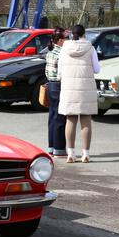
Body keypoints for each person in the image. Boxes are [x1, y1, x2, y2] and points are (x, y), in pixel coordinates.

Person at [58, 25, 100, 163]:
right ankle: (86, 154)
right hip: (86, 87)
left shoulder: (64, 49)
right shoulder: (91, 48)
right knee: (86, 120)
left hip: (69, 88)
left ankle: (70, 153)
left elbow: (60, 71)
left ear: (72, 34)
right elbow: (97, 69)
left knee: (70, 120)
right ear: (84, 33)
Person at [45, 27, 67, 158]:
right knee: (60, 117)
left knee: (52, 117)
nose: (67, 40)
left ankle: (52, 147)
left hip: (50, 85)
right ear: (59, 40)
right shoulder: (62, 53)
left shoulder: (50, 52)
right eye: (65, 38)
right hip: (59, 85)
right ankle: (59, 148)